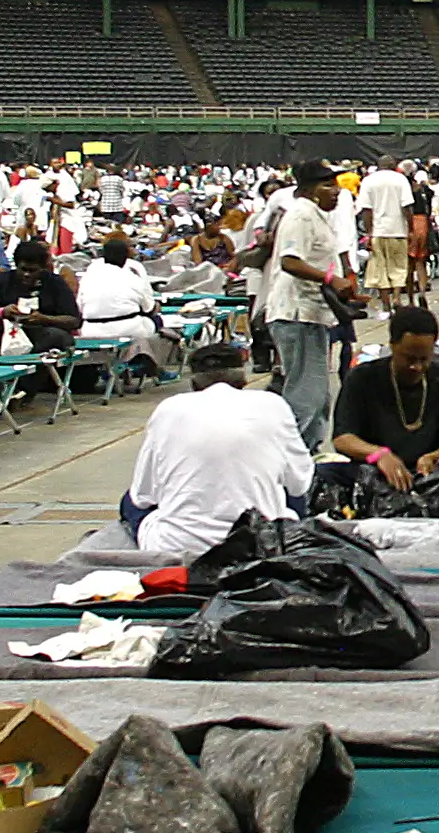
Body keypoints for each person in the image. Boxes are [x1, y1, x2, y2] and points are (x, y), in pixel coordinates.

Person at [122, 343, 313, 558]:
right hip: (260, 542)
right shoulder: (273, 405)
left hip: (180, 545)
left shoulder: (169, 409)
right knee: (288, 492)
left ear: (194, 383)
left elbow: (143, 496)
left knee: (128, 501)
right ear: (244, 380)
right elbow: (300, 484)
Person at [330, 306, 439, 493]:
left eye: (423, 359)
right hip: (373, 470)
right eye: (408, 359)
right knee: (324, 474)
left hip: (426, 474)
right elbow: (342, 439)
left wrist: (433, 457)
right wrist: (378, 455)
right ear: (392, 345)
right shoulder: (362, 378)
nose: (416, 367)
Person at [265, 162, 360, 452]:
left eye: (336, 186)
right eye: (327, 186)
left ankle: (309, 451)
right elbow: (290, 261)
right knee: (307, 394)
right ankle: (296, 457)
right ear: (308, 190)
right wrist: (331, 279)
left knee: (318, 394)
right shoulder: (302, 216)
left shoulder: (318, 217)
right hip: (296, 314)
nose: (336, 193)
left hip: (314, 313)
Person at [75, 237, 175, 374]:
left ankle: (113, 368)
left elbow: (79, 308)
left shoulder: (87, 276)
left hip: (90, 330)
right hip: (128, 329)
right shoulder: (132, 276)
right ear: (126, 258)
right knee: (157, 323)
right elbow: (149, 309)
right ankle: (156, 370)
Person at [0, 237, 82, 352]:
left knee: (58, 337)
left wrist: (44, 319)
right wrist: (3, 312)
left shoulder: (55, 283)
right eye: (23, 269)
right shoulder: (0, 282)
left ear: (42, 269)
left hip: (44, 335)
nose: (26, 274)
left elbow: (74, 321)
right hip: (7, 335)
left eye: (32, 270)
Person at [359, 157, 415, 306]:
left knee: (380, 268)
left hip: (378, 231)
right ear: (393, 165)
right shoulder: (400, 179)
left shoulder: (368, 181)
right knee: (399, 266)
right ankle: (397, 296)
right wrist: (410, 229)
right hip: (398, 230)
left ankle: (386, 304)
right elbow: (407, 207)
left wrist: (369, 232)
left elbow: (366, 209)